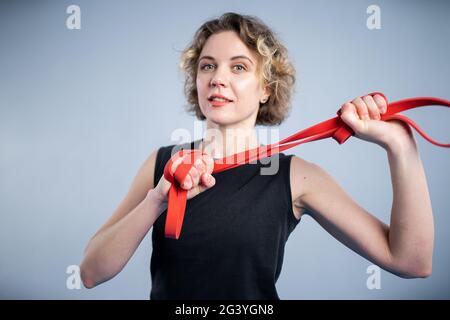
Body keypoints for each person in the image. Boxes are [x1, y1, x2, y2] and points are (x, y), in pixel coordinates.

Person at [80, 12, 434, 299]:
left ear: (266, 88)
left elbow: (411, 261)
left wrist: (400, 146)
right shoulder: (161, 164)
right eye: (207, 66)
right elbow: (91, 273)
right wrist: (156, 200)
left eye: (238, 67)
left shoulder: (296, 177)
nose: (218, 78)